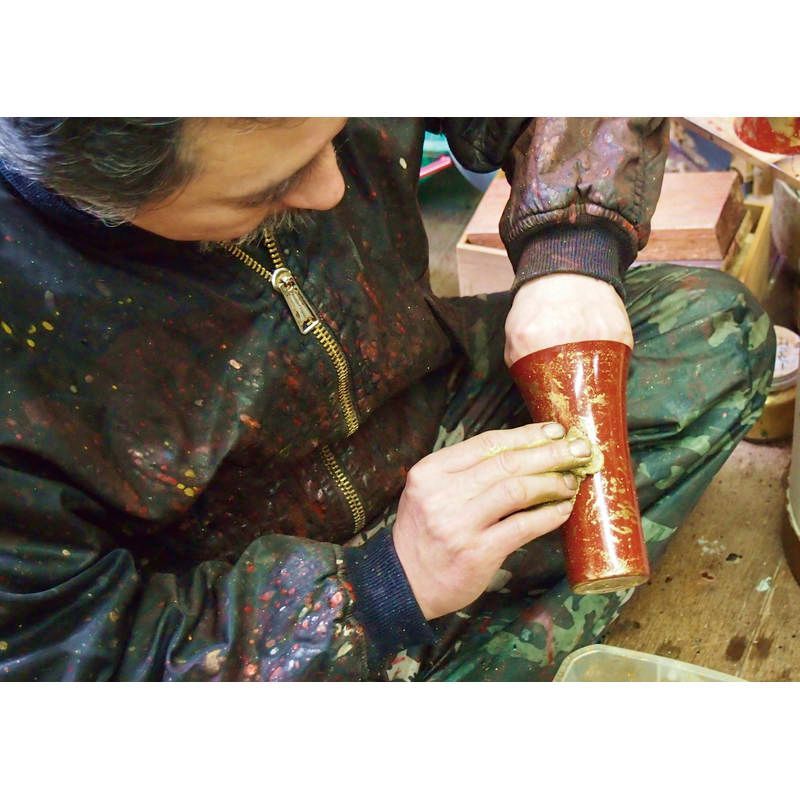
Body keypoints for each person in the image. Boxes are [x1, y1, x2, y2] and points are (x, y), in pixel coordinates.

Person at [0, 118, 774, 681]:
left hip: (428, 406)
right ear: (95, 189)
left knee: (708, 332)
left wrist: (573, 250)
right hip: (240, 589)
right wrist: (378, 589)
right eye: (269, 190)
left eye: (339, 133)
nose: (333, 188)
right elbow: (63, 655)